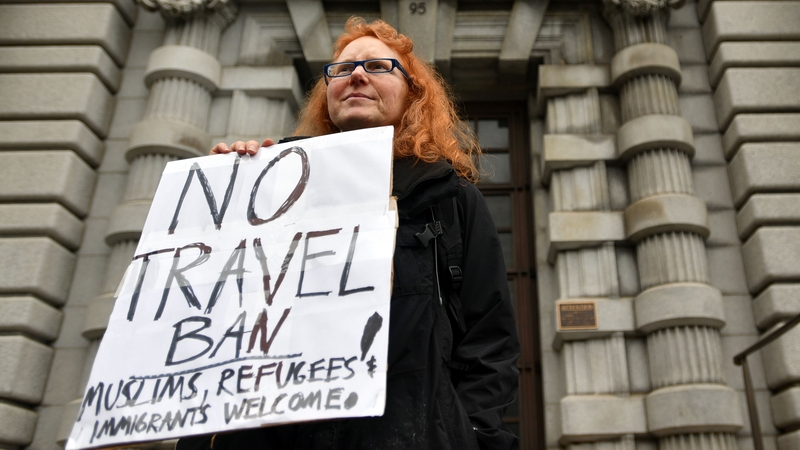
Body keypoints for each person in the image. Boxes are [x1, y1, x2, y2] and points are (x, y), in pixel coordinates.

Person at [181, 16, 520, 450]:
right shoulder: (270, 187)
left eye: (379, 66)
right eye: (341, 69)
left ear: (413, 94)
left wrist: (469, 435)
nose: (357, 74)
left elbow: (490, 340)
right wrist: (232, 191)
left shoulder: (451, 200)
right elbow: (216, 313)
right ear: (328, 95)